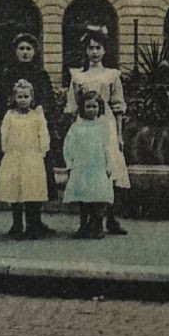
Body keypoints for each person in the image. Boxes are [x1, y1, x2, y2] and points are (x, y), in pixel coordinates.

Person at [0, 32, 58, 232]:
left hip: (35, 132)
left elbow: (48, 101)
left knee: (36, 178)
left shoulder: (41, 75)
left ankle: (35, 221)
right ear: (15, 51)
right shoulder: (8, 74)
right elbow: (1, 103)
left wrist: (42, 116)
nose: (25, 53)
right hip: (16, 134)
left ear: (35, 52)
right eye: (21, 49)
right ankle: (17, 224)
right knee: (15, 178)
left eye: (29, 49)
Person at [65, 27, 130, 235]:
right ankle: (87, 223)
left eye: (98, 48)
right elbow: (72, 105)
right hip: (84, 127)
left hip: (107, 124)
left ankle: (109, 219)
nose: (94, 52)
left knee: (111, 170)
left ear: (104, 51)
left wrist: (119, 134)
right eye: (90, 48)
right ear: (85, 51)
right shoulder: (78, 76)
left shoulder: (112, 75)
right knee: (87, 171)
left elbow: (118, 106)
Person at [0, 79, 51, 239]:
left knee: (31, 193)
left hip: (32, 158)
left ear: (32, 98)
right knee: (15, 193)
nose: (23, 100)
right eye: (20, 97)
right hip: (14, 157)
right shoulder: (10, 115)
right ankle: (17, 225)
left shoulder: (37, 115)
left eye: (26, 96)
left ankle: (32, 226)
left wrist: (42, 152)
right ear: (14, 98)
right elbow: (4, 134)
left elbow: (43, 134)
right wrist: (7, 151)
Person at [62, 90, 115, 239]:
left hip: (98, 166)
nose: (91, 110)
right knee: (84, 197)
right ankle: (83, 226)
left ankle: (97, 226)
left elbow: (108, 146)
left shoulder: (103, 126)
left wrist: (109, 165)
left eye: (94, 106)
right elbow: (69, 146)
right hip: (82, 166)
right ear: (82, 108)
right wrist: (69, 164)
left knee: (98, 197)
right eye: (88, 107)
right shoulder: (77, 126)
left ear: (100, 108)